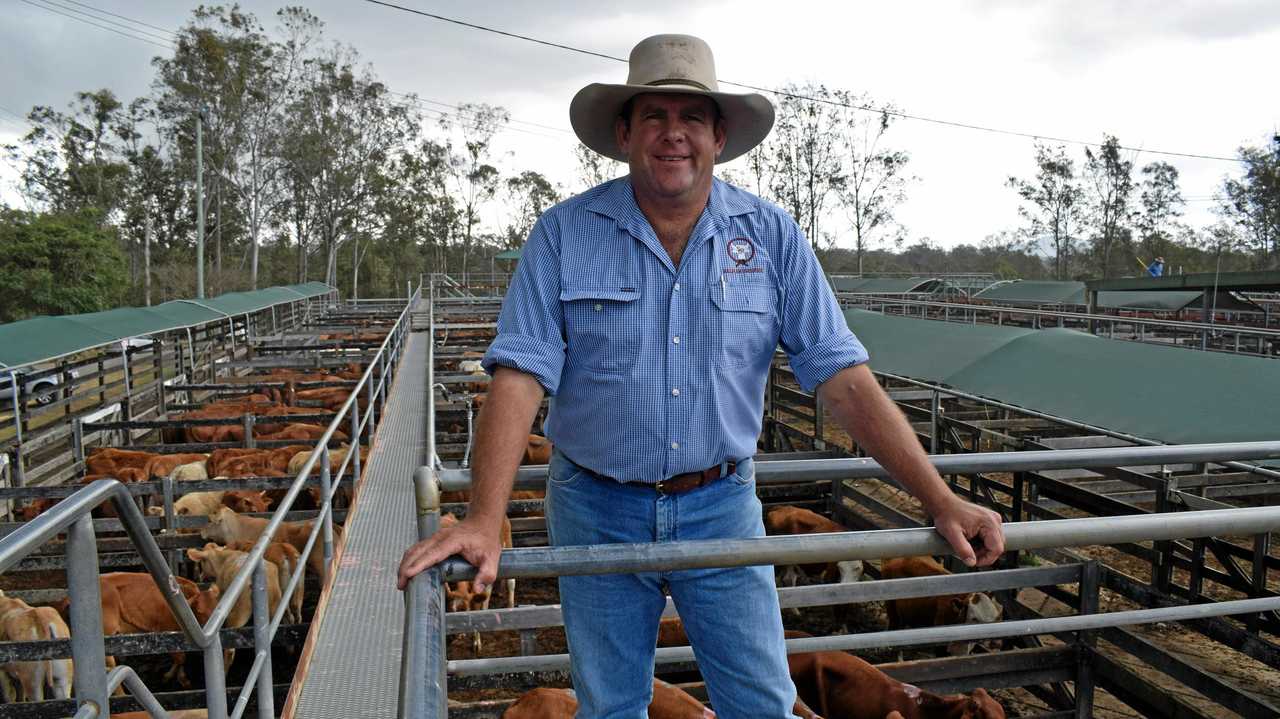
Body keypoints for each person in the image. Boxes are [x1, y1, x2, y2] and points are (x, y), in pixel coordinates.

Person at [398, 33, 1006, 718]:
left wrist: (940, 499)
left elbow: (843, 377)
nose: (673, 134)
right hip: (596, 505)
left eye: (691, 117)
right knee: (611, 705)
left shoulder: (771, 236)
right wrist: (485, 517)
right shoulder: (565, 234)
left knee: (761, 703)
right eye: (654, 116)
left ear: (719, 135)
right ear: (624, 132)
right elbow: (519, 376)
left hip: (720, 503)